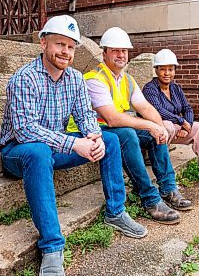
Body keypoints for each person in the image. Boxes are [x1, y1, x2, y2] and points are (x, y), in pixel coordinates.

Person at [0, 16, 147, 276]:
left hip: (55, 148)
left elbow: (85, 116)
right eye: (59, 44)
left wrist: (93, 137)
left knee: (110, 139)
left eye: (70, 46)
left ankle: (116, 212)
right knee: (38, 150)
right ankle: (53, 247)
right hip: (19, 153)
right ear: (43, 43)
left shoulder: (75, 79)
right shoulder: (25, 77)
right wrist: (73, 143)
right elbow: (24, 131)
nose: (65, 52)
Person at [69, 27, 192, 225]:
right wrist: (150, 126)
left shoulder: (127, 80)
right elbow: (112, 119)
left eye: (124, 51)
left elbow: (145, 107)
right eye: (115, 50)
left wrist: (159, 127)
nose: (121, 55)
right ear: (105, 53)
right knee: (127, 134)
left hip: (112, 128)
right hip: (87, 131)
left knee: (151, 132)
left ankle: (169, 188)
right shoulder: (94, 79)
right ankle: (150, 198)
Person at [142, 49, 199, 185]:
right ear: (156, 70)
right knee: (167, 125)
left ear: (174, 71)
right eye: (163, 69)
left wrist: (187, 125)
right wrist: (181, 121)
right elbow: (157, 111)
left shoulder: (176, 88)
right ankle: (161, 164)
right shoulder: (150, 89)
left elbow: (187, 108)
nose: (167, 73)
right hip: (153, 131)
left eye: (170, 69)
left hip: (174, 128)